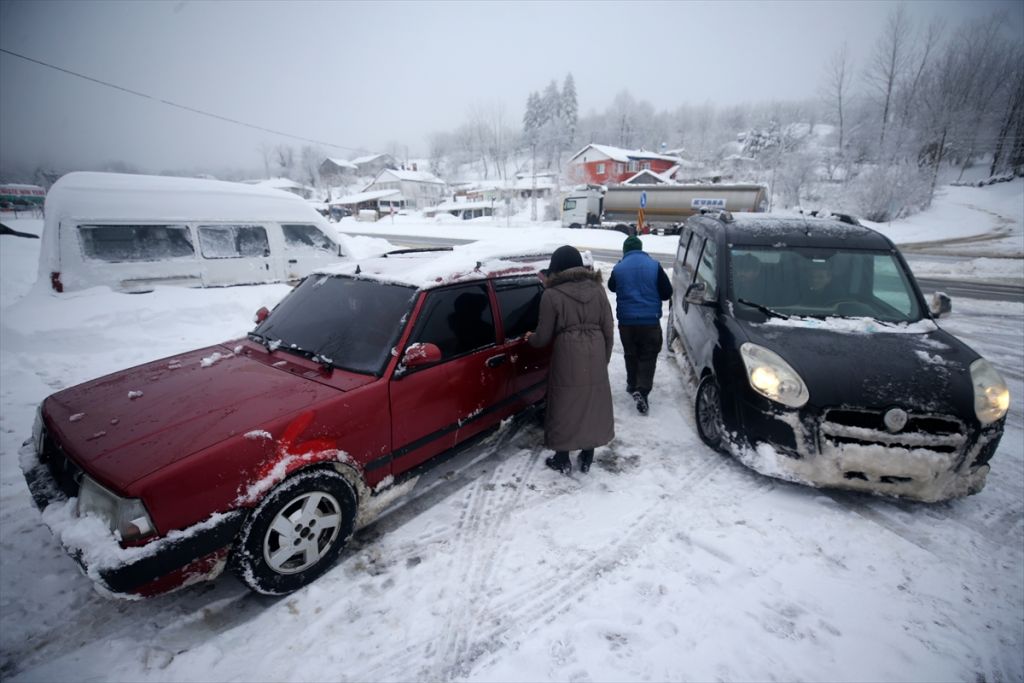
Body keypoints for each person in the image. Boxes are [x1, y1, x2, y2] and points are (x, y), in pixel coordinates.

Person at [526, 246, 614, 475]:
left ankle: (562, 458)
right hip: (596, 352)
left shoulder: (551, 294)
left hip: (567, 354)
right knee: (592, 402)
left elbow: (543, 336)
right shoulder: (598, 289)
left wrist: (530, 338)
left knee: (564, 403)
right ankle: (587, 454)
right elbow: (608, 328)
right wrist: (604, 359)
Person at [607, 236, 672, 415]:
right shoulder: (654, 266)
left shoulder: (619, 268)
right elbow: (667, 293)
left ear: (625, 250)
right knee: (648, 355)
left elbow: (611, 287)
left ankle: (632, 384)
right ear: (641, 248)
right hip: (650, 321)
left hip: (627, 322)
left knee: (631, 353)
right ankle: (642, 390)